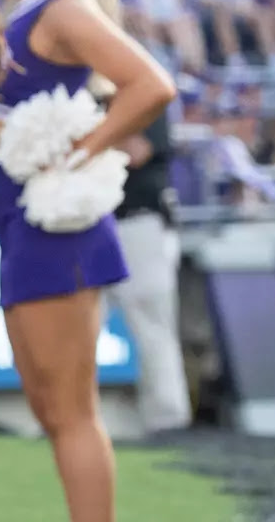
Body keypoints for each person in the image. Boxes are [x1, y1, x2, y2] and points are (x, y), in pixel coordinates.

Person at [0, 0, 176, 522]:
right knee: (49, 407)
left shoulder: (58, 9)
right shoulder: (19, 12)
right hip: (19, 220)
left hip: (58, 226)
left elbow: (151, 85)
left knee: (70, 412)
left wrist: (84, 151)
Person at [111, 107, 192, 436]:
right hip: (92, 219)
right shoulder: (86, 92)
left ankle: (167, 419)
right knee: (79, 324)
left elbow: (137, 151)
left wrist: (88, 144)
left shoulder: (146, 92)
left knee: (152, 321)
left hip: (139, 218)